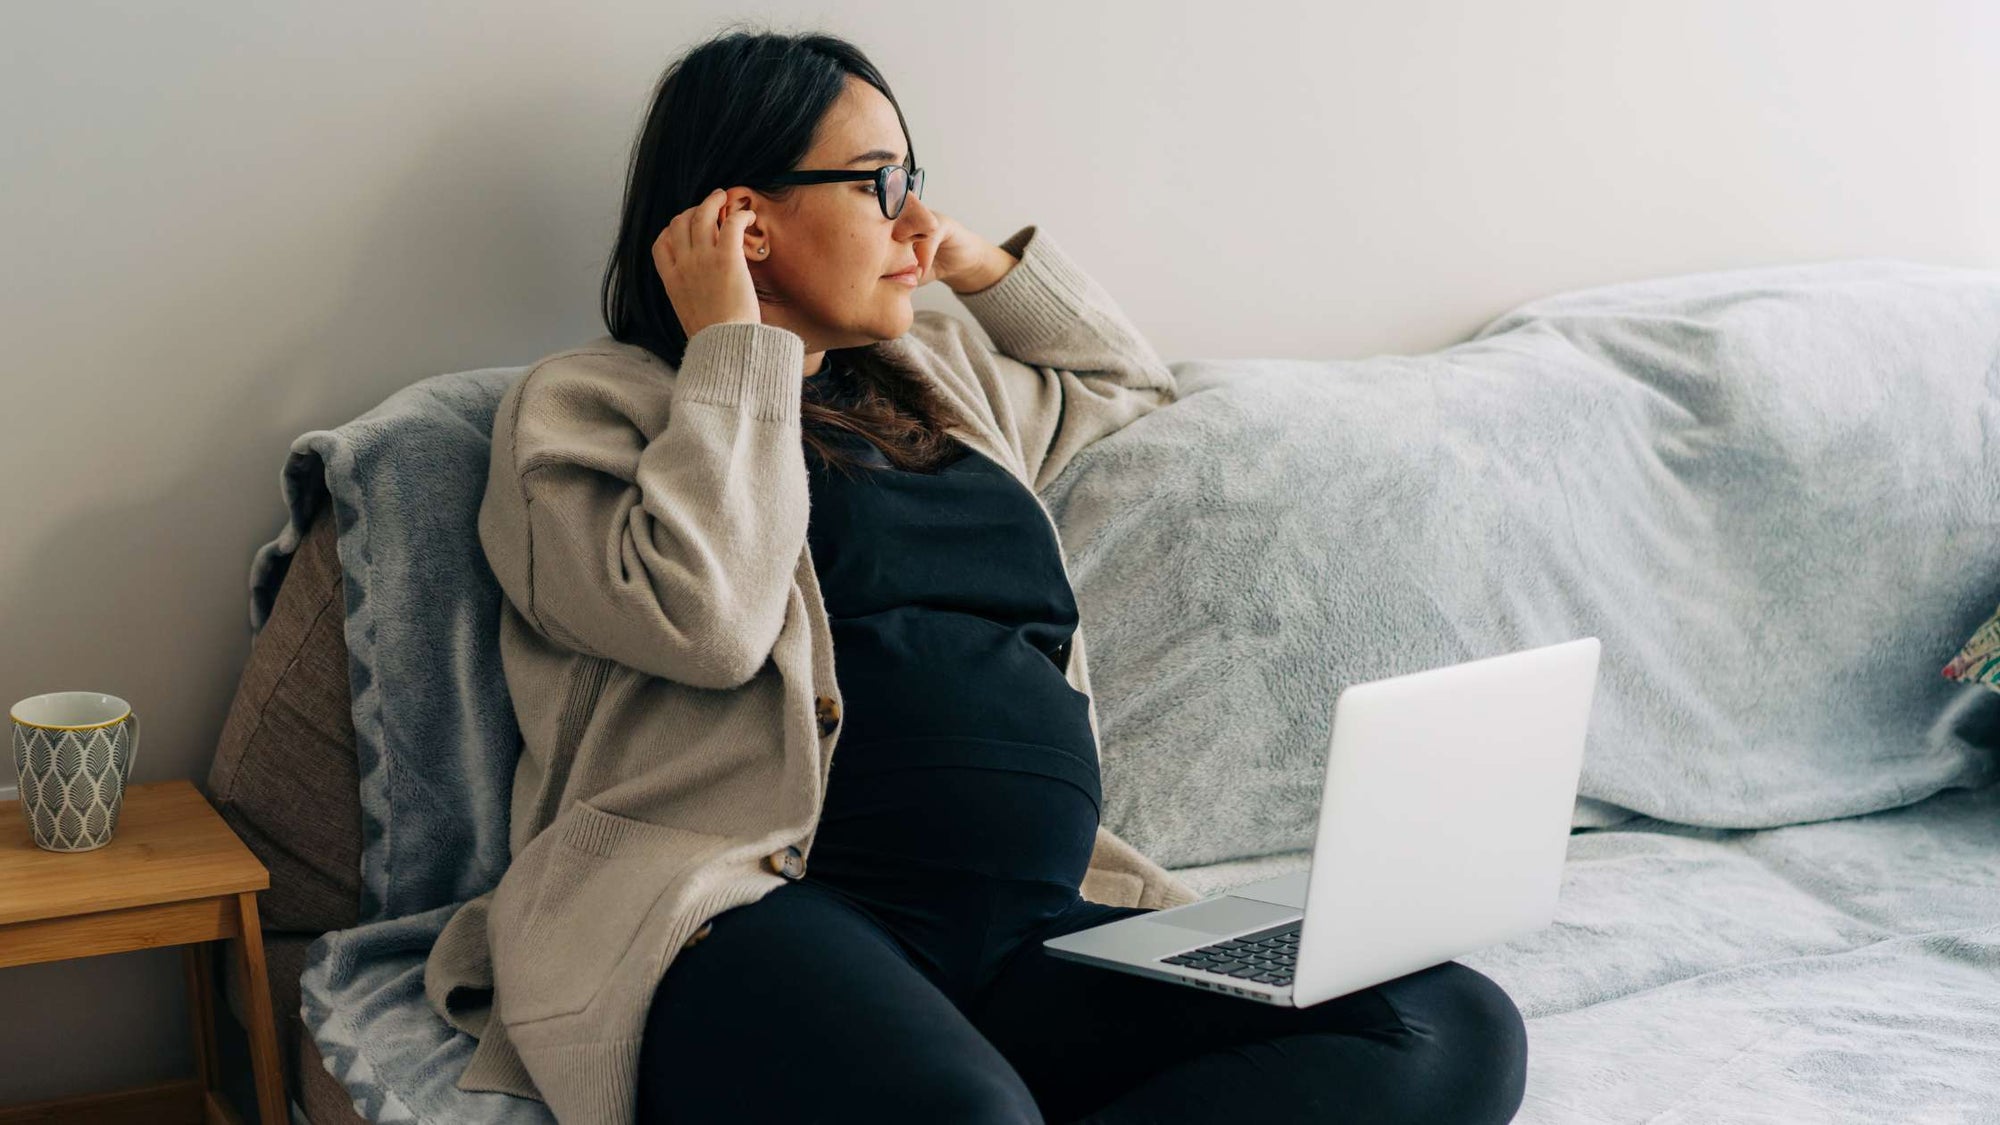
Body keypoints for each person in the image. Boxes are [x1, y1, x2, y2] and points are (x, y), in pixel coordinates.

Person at [594, 24, 1528, 1125]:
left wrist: (974, 266)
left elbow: (1125, 381)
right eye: (876, 183)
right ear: (742, 220)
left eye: (914, 178)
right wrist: (733, 351)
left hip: (1034, 939)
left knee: (1446, 1021)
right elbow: (707, 623)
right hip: (780, 918)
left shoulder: (937, 385)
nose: (913, 216)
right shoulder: (597, 411)